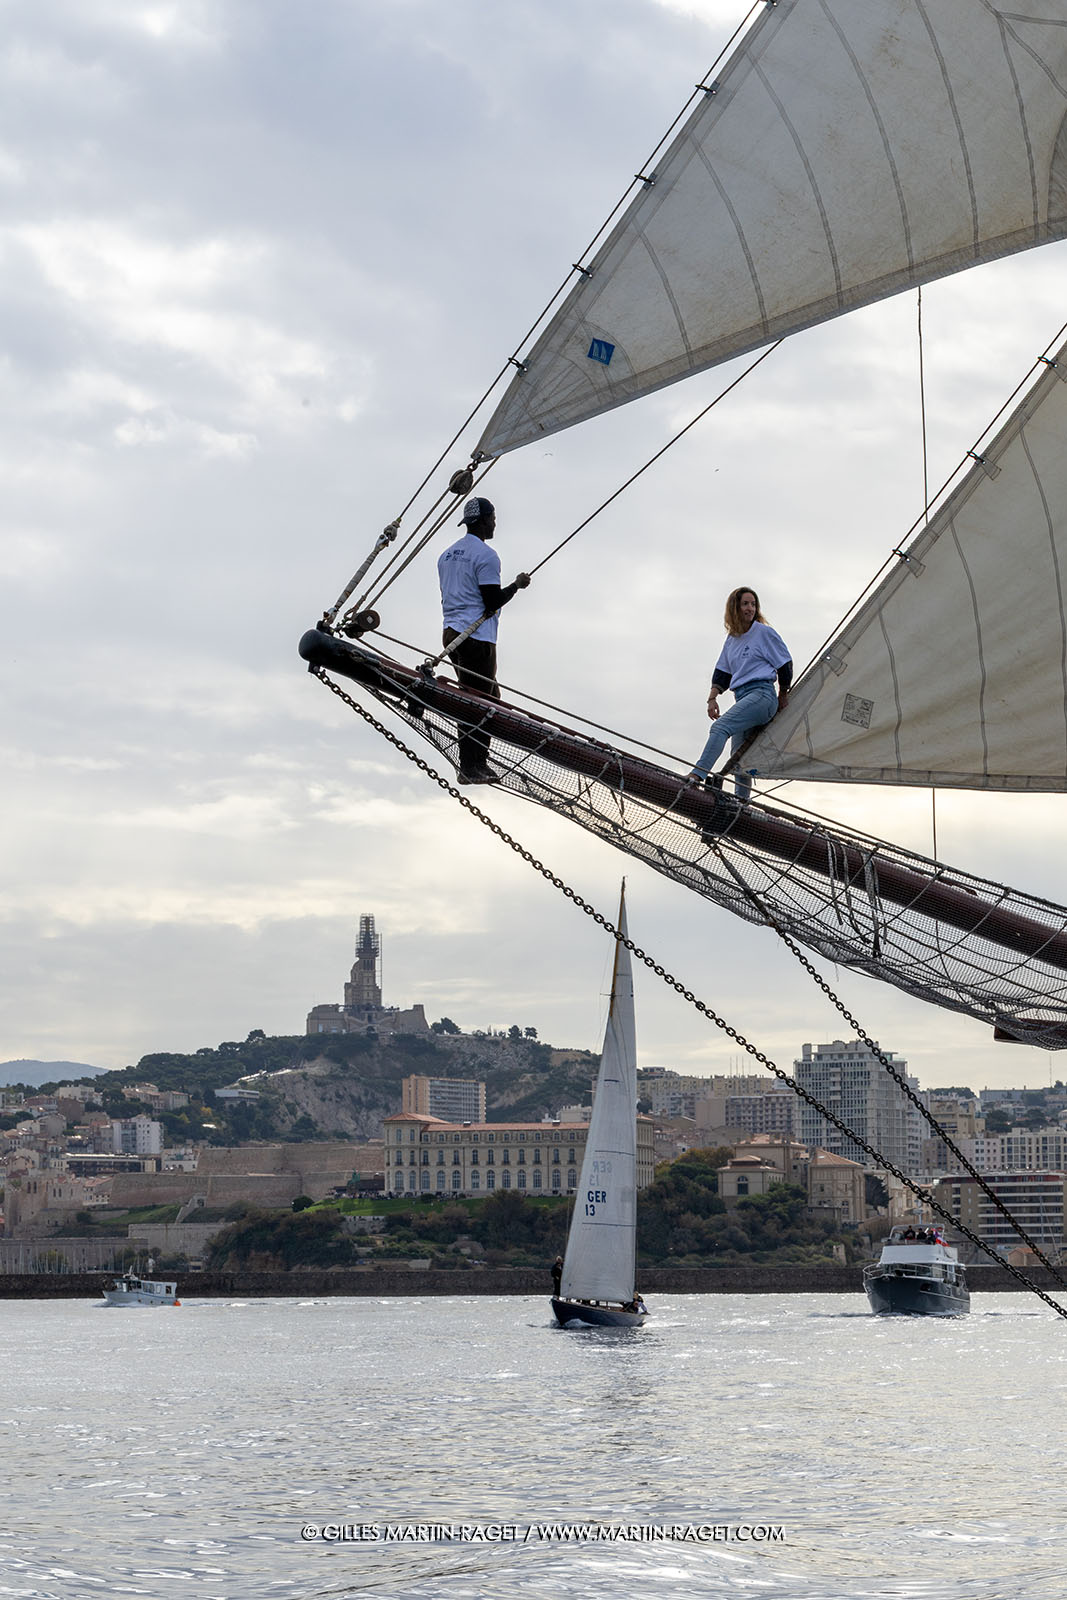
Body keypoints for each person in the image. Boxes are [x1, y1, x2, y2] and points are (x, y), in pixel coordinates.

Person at [437, 498, 531, 783]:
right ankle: (471, 766)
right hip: (476, 637)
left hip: (451, 633)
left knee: (477, 696)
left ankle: (475, 763)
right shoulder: (487, 556)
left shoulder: (446, 555)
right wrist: (517, 585)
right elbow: (491, 602)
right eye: (493, 518)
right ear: (485, 520)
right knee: (482, 702)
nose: (495, 523)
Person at [690, 586, 792, 801]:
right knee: (739, 760)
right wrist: (712, 698)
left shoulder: (763, 633)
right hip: (744, 697)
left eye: (753, 604)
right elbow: (722, 674)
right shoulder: (732, 640)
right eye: (745, 604)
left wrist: (783, 694)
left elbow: (785, 665)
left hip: (762, 695)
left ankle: (696, 775)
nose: (750, 608)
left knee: (720, 727)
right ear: (735, 607)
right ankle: (740, 803)